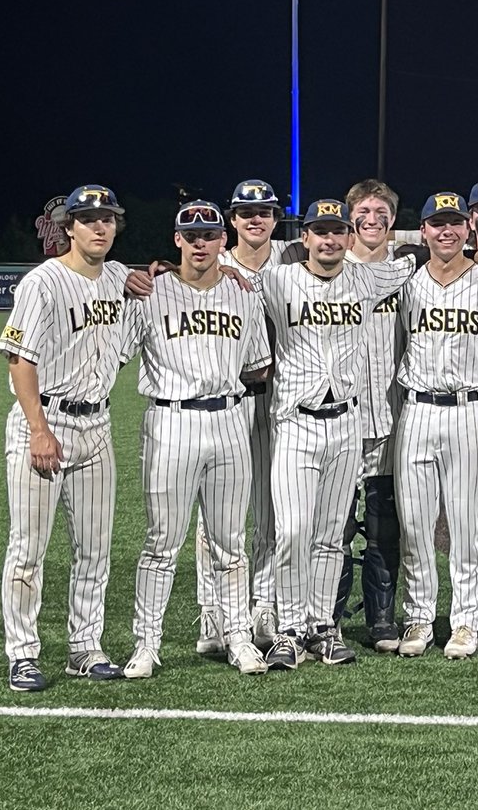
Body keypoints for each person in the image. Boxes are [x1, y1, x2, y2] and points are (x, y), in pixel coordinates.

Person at [257, 199, 416, 669]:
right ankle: (288, 628)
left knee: (330, 535)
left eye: (337, 231)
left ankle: (321, 625)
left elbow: (412, 261)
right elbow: (233, 276)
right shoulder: (276, 280)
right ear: (303, 237)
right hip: (295, 421)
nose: (329, 239)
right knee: (292, 530)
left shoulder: (366, 278)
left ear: (348, 237)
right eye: (319, 231)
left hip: (348, 421)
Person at [118, 201, 273, 678]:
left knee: (229, 543)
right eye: (192, 234)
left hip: (229, 419)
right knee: (162, 543)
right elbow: (118, 351)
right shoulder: (151, 292)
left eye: (209, 233)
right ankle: (147, 644)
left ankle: (239, 638)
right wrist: (124, 282)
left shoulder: (244, 296)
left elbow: (258, 367)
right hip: (171, 421)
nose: (201, 242)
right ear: (177, 241)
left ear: (223, 240)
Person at [0, 184, 132, 691]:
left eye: (108, 219)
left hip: (97, 426)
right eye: (89, 219)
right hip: (46, 421)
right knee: (29, 548)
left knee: (94, 549)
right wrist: (38, 429)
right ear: (69, 227)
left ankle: (85, 646)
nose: (100, 227)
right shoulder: (43, 283)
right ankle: (23, 653)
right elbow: (19, 359)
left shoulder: (119, 277)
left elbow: (168, 278)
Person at [394, 193, 478, 660]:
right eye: (437, 224)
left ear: (468, 229)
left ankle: (466, 619)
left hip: (468, 408)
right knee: (416, 523)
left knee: (465, 523)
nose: (446, 232)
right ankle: (420, 615)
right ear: (422, 231)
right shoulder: (408, 282)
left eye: (454, 223)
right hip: (417, 409)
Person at [193, 179, 289, 657]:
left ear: (275, 219)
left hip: (281, 398)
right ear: (232, 220)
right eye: (246, 212)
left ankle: (263, 605)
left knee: (271, 505)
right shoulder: (213, 260)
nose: (256, 219)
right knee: (216, 512)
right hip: (228, 399)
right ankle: (212, 611)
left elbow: (361, 246)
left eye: (265, 211)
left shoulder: (292, 259)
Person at [330, 178, 408, 653]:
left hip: (391, 412)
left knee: (383, 522)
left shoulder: (407, 272)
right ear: (349, 217)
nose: (372, 218)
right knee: (333, 523)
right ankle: (330, 615)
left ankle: (382, 618)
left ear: (393, 219)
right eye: (363, 211)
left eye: (382, 211)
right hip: (338, 414)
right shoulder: (330, 266)